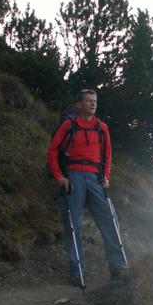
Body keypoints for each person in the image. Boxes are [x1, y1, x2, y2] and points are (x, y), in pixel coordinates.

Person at [46, 89, 127, 287]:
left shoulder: (102, 128)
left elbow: (107, 155)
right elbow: (53, 150)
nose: (93, 104)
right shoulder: (69, 125)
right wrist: (59, 176)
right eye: (89, 101)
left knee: (109, 221)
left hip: (95, 178)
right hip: (73, 175)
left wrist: (106, 177)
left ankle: (118, 267)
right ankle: (77, 272)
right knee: (73, 225)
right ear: (79, 104)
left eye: (95, 101)